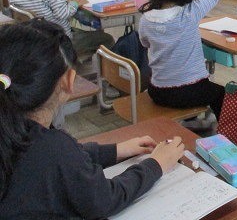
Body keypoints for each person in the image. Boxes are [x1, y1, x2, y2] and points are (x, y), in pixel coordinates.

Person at [0, 19, 185, 219]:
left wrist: (116, 150)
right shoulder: (53, 147)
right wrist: (156, 164)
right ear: (69, 81)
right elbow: (104, 200)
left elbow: (67, 161)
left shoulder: (14, 128)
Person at [138, 0, 227, 124]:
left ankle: (191, 120)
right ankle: (225, 135)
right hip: (190, 91)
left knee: (195, 89)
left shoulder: (145, 19)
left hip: (157, 92)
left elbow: (145, 44)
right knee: (220, 93)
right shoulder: (191, 12)